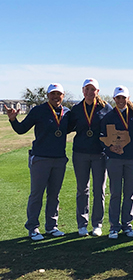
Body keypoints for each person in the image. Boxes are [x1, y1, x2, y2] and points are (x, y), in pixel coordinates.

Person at [5, 83, 70, 241]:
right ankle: (33, 227)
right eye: (52, 94)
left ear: (63, 95)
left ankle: (51, 226)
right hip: (40, 158)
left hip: (59, 159)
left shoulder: (67, 112)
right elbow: (21, 129)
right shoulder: (38, 111)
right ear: (48, 95)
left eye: (58, 94)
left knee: (54, 195)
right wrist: (13, 120)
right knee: (36, 194)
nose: (56, 97)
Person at [68, 78, 112, 237]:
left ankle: (97, 224)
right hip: (80, 153)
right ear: (82, 90)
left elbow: (114, 125)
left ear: (97, 92)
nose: (89, 92)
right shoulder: (76, 109)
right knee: (82, 189)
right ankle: (82, 224)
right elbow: (66, 127)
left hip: (100, 154)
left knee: (99, 190)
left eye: (92, 89)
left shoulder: (105, 108)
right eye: (87, 89)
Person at [100, 85, 133, 239]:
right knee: (115, 193)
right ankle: (114, 226)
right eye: (118, 98)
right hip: (115, 159)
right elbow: (103, 137)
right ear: (114, 99)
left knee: (129, 194)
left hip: (132, 158)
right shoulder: (108, 116)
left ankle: (127, 225)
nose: (121, 100)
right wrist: (110, 147)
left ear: (127, 99)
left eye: (124, 98)